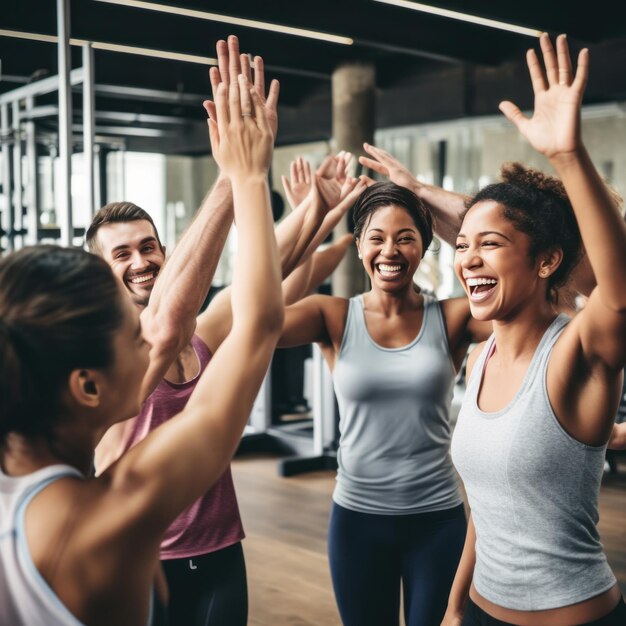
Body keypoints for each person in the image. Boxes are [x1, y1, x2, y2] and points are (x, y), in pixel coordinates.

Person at [90, 36, 365, 626]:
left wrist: (318, 208)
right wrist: (234, 174)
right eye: (122, 255)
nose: (140, 261)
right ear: (98, 272)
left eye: (148, 247)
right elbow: (164, 317)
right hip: (144, 562)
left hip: (219, 552)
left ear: (168, 251)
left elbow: (266, 272)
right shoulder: (103, 356)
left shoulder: (198, 332)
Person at [0, 68, 282, 626]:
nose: (149, 339)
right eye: (132, 339)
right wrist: (247, 177)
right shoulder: (117, 516)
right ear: (87, 386)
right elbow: (259, 324)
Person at [443, 34, 626, 625]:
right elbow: (486, 511)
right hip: (478, 611)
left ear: (546, 261)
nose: (468, 258)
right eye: (463, 245)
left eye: (490, 244)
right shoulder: (481, 356)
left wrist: (568, 156)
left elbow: (618, 301)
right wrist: (453, 606)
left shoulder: (575, 350)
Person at [279, 176, 492, 624]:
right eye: (376, 238)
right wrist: (312, 222)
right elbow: (254, 316)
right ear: (359, 247)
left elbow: (550, 306)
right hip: (357, 522)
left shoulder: (453, 316)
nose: (390, 251)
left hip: (437, 520)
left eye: (406, 238)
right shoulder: (332, 316)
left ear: (425, 246)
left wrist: (434, 200)